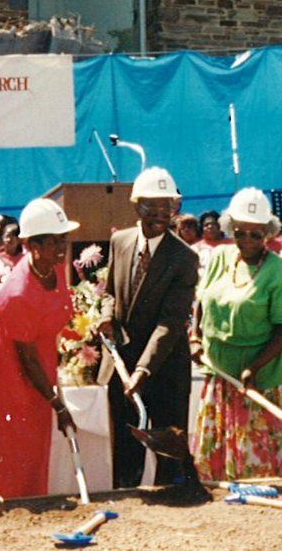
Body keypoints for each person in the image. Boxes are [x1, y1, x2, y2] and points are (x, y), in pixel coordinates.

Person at [190, 188, 282, 480]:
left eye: (256, 235)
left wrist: (254, 367)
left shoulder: (281, 272)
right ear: (231, 229)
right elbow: (201, 301)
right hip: (223, 375)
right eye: (241, 233)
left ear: (268, 233)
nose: (248, 241)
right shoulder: (219, 257)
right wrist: (194, 336)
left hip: (264, 377)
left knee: (258, 469)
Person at [99, 168, 199, 488]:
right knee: (126, 457)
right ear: (135, 206)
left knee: (169, 461)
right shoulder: (119, 241)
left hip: (165, 369)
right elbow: (110, 293)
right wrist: (105, 314)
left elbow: (171, 322)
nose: (158, 217)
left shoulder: (184, 258)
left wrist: (143, 370)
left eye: (166, 209)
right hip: (124, 365)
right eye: (150, 209)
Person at [0, 199, 79, 498]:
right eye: (55, 241)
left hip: (41, 357)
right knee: (15, 438)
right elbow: (26, 361)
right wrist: (57, 403)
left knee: (36, 437)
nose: (62, 246)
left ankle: (35, 499)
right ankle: (5, 504)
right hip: (12, 369)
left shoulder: (55, 268)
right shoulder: (16, 294)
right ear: (33, 245)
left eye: (64, 239)